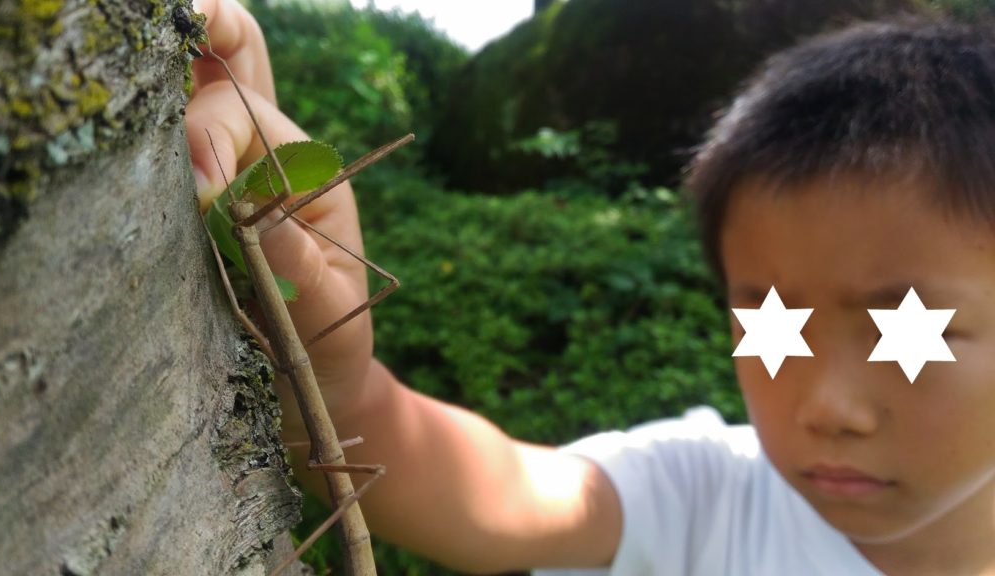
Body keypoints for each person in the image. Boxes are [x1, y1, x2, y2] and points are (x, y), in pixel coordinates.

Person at [187, 1, 995, 574]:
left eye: (902, 326)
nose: (827, 408)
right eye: (772, 321)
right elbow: (467, 482)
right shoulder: (699, 494)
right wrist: (335, 383)